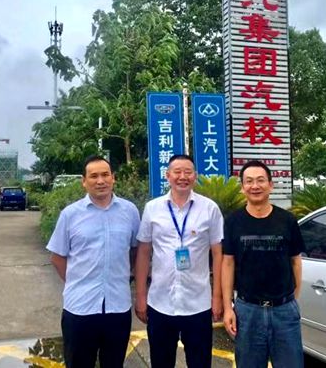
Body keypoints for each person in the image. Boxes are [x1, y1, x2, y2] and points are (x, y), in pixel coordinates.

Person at [46, 155, 140, 368]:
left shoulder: (130, 211)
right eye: (94, 176)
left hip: (118, 307)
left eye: (105, 175)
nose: (100, 181)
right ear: (84, 181)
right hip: (80, 308)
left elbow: (135, 251)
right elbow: (57, 257)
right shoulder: (70, 214)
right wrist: (77, 281)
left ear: (113, 178)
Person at [135, 154, 223, 368]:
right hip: (160, 303)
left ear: (195, 176)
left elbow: (218, 254)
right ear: (167, 175)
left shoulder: (209, 208)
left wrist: (217, 297)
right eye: (177, 172)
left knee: (200, 363)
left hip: (198, 304)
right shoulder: (153, 208)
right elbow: (144, 252)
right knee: (161, 362)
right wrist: (141, 296)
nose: (183, 177)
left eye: (188, 172)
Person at [222, 160, 306, 368]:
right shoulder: (233, 222)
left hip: (284, 311)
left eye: (260, 180)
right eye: (249, 181)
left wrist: (292, 299)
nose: (255, 186)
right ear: (242, 187)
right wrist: (228, 308)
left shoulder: (287, 220)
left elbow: (295, 261)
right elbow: (228, 264)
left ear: (270, 185)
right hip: (247, 311)